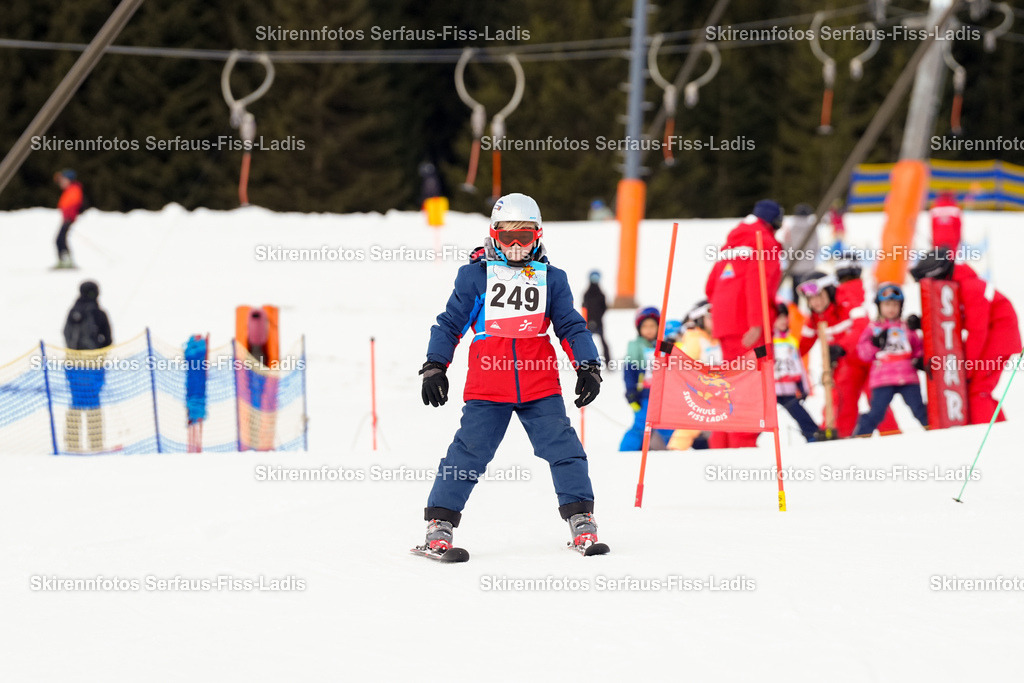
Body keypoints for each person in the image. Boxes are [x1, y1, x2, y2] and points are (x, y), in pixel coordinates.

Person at [417, 192, 607, 556]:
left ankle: (581, 519)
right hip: (489, 384)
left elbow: (570, 325)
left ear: (538, 236)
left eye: (525, 236)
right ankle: (439, 525)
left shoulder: (552, 278)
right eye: (508, 237)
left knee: (564, 448)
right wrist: (435, 365)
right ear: (493, 235)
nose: (517, 246)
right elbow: (450, 323)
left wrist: (588, 365)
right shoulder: (475, 277)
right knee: (467, 454)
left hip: (539, 383)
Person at [704, 199, 784, 448]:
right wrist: (757, 323)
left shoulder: (731, 244)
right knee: (752, 388)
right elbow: (756, 284)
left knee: (731, 387)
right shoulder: (765, 243)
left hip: (725, 326)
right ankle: (743, 447)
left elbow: (709, 288)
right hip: (750, 326)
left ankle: (722, 445)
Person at [911, 248, 1021, 424]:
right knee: (979, 389)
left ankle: (983, 432)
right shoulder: (956, 284)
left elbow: (978, 332)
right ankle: (999, 429)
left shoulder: (970, 287)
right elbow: (950, 320)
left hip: (1000, 335)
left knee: (977, 389)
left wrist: (965, 368)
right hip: (994, 334)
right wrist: (923, 324)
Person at [797, 270, 900, 438]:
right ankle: (837, 436)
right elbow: (802, 345)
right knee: (841, 397)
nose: (815, 302)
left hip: (868, 360)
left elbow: (862, 328)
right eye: (810, 299)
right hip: (847, 364)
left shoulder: (848, 301)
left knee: (877, 401)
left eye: (818, 296)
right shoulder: (816, 318)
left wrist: (841, 347)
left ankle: (892, 436)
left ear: (829, 291)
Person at [852, 283, 929, 436]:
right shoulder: (873, 328)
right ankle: (860, 435)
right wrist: (874, 343)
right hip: (883, 379)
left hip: (908, 377)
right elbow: (863, 353)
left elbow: (918, 348)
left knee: (919, 409)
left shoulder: (907, 327)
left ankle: (936, 430)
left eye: (895, 304)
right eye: (887, 304)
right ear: (879, 306)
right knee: (877, 412)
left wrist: (920, 360)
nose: (891, 308)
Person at [62, 280, 112, 453]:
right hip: (93, 364)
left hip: (72, 363)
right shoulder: (99, 314)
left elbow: (65, 333)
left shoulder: (72, 312)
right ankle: (96, 442)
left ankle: (72, 442)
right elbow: (108, 339)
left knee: (76, 402)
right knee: (93, 401)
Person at [666, 300, 721, 450]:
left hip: (719, 391)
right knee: (690, 424)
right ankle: (676, 450)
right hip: (698, 392)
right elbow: (684, 365)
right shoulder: (695, 338)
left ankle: (717, 450)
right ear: (700, 319)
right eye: (710, 317)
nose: (715, 320)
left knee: (718, 427)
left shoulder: (718, 340)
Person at [620, 307, 674, 451]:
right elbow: (629, 371)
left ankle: (663, 449)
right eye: (645, 326)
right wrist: (631, 391)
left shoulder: (665, 345)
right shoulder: (636, 346)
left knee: (667, 424)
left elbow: (674, 364)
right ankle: (627, 451)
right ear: (639, 328)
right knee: (642, 424)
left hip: (664, 395)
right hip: (644, 394)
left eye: (652, 326)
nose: (649, 330)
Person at [773, 303, 818, 442]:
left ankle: (813, 435)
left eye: (785, 317)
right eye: (779, 317)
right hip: (771, 389)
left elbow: (798, 366)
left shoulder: (791, 340)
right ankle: (745, 441)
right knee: (762, 418)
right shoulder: (766, 340)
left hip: (788, 388)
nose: (783, 321)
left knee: (799, 413)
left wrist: (803, 387)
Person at [780, 203, 820, 291]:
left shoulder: (790, 229)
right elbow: (816, 247)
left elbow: (786, 247)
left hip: (794, 268)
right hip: (809, 269)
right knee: (810, 294)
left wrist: (789, 261)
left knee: (795, 295)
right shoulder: (812, 229)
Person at [54, 169, 84, 268]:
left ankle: (66, 261)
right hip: (67, 218)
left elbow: (73, 205)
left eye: (63, 179)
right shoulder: (70, 190)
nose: (61, 182)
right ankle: (64, 260)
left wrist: (68, 217)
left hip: (68, 218)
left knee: (60, 239)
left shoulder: (74, 190)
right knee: (60, 239)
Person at [581, 270, 610, 363]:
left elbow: (604, 308)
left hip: (599, 322)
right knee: (585, 343)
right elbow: (584, 308)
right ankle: (582, 362)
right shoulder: (586, 294)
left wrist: (597, 319)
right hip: (588, 322)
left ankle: (609, 362)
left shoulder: (601, 294)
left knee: (603, 342)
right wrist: (588, 321)